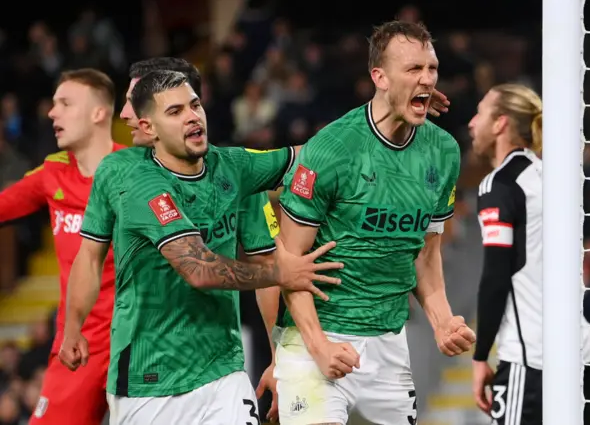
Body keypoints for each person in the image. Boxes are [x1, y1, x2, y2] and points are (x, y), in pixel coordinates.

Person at [59, 69, 343, 425]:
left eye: (194, 105)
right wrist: (73, 329)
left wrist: (376, 123)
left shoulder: (231, 167)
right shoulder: (134, 179)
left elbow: (311, 155)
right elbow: (198, 269)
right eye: (176, 111)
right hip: (149, 382)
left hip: (223, 372)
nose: (193, 115)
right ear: (150, 129)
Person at [272, 20, 476, 425]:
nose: (427, 79)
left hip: (388, 345)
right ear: (379, 77)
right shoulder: (331, 149)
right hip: (317, 338)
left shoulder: (444, 152)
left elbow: (426, 254)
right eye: (414, 69)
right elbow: (287, 264)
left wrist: (442, 320)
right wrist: (318, 347)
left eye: (431, 68)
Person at [120, 56, 282, 420]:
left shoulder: (235, 173)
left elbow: (267, 264)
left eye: (134, 100)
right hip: (141, 377)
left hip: (221, 370)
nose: (124, 115)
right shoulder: (117, 177)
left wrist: (279, 359)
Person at [0, 68, 125, 425]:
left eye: (65, 103)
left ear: (99, 113)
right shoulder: (51, 172)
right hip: (76, 349)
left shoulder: (138, 170)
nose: (52, 112)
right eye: (53, 104)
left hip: (139, 343)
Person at [468, 83, 590, 425]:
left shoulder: (499, 186)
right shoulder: (553, 178)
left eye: (480, 112)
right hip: (581, 353)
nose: (471, 122)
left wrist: (480, 357)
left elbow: (496, 278)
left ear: (500, 124)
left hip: (532, 361)